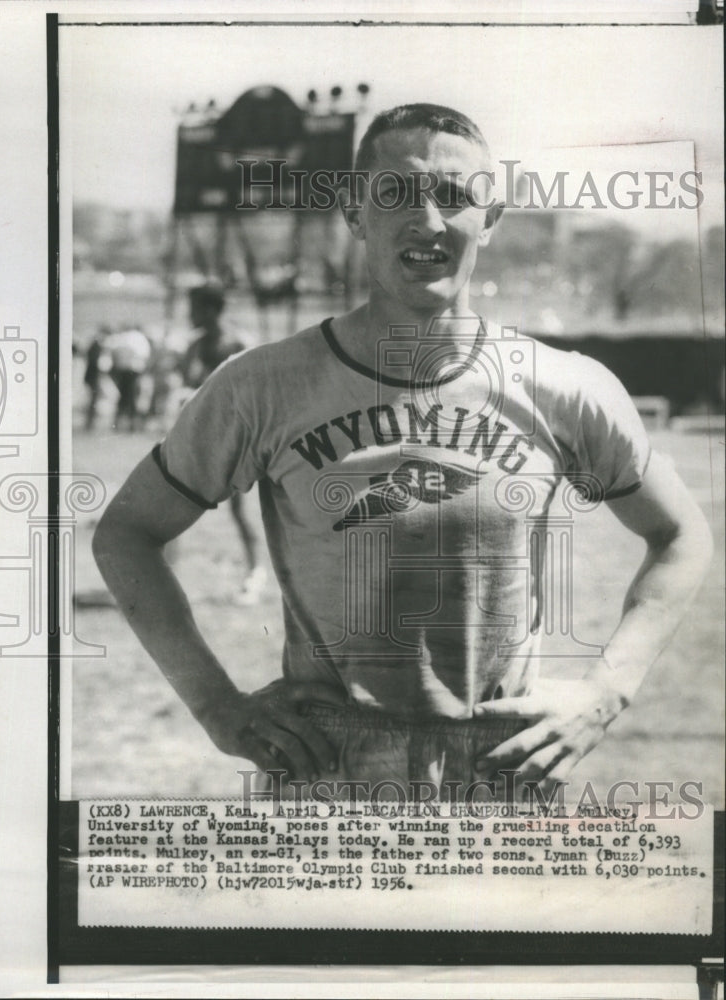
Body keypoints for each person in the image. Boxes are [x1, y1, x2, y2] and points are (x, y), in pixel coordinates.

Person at [93, 104, 712, 801]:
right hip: (326, 773)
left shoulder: (564, 385)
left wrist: (607, 691)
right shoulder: (262, 384)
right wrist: (217, 707)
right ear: (356, 214)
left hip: (500, 771)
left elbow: (680, 534)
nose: (427, 219)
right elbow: (127, 533)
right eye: (395, 193)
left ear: (493, 216)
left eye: (455, 196)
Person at [181, 283, 266, 604]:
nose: (188, 315)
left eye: (194, 308)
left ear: (211, 310)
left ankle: (256, 572)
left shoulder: (239, 343)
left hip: (247, 435)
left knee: (244, 508)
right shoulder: (196, 346)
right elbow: (189, 388)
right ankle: (165, 570)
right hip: (211, 434)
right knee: (175, 495)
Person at [108, 323, 152, 432]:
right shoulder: (138, 338)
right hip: (134, 370)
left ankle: (120, 425)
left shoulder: (123, 338)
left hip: (123, 370)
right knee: (132, 398)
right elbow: (144, 355)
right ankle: (131, 425)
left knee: (124, 398)